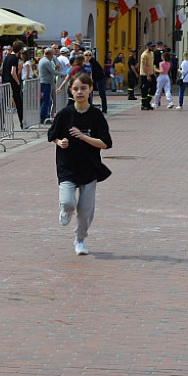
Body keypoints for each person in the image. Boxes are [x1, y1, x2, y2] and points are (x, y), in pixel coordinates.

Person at [47, 73, 112, 257]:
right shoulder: (64, 114)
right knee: (68, 202)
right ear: (71, 91)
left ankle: (80, 239)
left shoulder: (96, 115)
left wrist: (83, 137)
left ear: (91, 89)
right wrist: (60, 142)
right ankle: (65, 211)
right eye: (75, 89)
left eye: (83, 88)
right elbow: (52, 136)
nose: (79, 92)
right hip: (67, 167)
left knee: (85, 211)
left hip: (89, 169)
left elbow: (106, 143)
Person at [1, 40, 25, 127]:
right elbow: (13, 72)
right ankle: (22, 122)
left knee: (4, 103)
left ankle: (0, 123)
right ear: (20, 49)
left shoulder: (7, 57)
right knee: (18, 101)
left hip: (5, 81)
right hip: (12, 82)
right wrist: (18, 82)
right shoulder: (15, 58)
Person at [37, 47, 56, 123]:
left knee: (47, 101)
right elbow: (52, 71)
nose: (53, 56)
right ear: (50, 54)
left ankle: (45, 116)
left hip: (45, 82)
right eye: (52, 54)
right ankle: (43, 118)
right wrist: (62, 74)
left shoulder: (43, 60)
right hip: (45, 83)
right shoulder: (46, 62)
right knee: (46, 101)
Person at [139, 42, 156, 109]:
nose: (153, 48)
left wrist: (153, 72)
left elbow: (152, 64)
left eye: (153, 46)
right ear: (148, 46)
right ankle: (143, 104)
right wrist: (147, 75)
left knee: (153, 88)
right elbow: (144, 66)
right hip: (144, 75)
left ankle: (147, 102)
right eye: (152, 46)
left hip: (151, 73)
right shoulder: (144, 55)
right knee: (144, 90)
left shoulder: (152, 54)